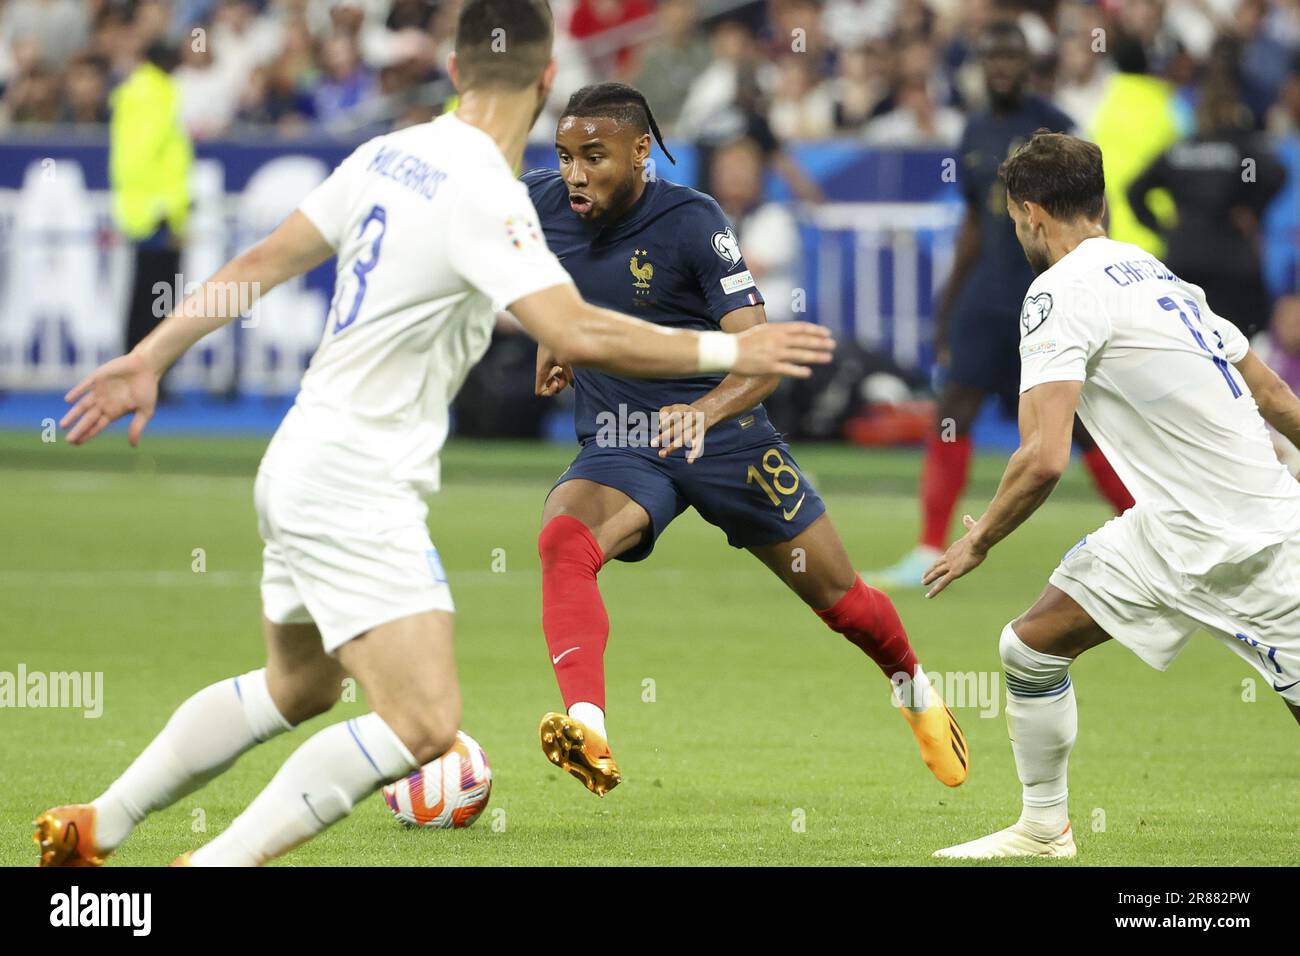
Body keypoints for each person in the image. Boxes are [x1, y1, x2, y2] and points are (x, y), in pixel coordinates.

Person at [35, 0, 833, 869]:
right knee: (423, 723)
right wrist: (733, 345)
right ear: (543, 81)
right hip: (358, 482)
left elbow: (258, 263)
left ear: (453, 72)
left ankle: (101, 821)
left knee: (297, 687)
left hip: (296, 459)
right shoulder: (487, 196)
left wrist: (148, 357)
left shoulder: (388, 153)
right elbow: (577, 332)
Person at [524, 82, 969, 798]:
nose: (575, 173)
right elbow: (512, 259)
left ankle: (913, 686)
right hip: (622, 440)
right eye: (566, 156)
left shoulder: (694, 223)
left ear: (642, 152)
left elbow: (759, 360)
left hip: (727, 437)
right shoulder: (543, 203)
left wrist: (701, 414)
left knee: (841, 599)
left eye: (595, 157)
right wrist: (555, 331)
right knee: (562, 543)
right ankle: (589, 728)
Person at [924, 131, 1300, 859]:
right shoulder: (1156, 275)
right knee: (1030, 648)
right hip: (1169, 533)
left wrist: (980, 539)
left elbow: (1040, 459)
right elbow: (1275, 394)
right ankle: (1042, 830)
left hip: (1253, 545)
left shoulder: (1058, 293)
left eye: (1012, 219)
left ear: (1032, 214)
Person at [867, 21, 1132, 589]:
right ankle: (927, 546)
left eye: (1013, 57)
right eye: (993, 58)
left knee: (1082, 427)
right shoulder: (975, 128)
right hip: (987, 299)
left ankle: (1147, 527)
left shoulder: (1058, 128)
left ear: (1030, 64)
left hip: (1050, 298)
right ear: (981, 66)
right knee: (950, 412)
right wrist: (950, 300)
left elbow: (1091, 216)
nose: (1002, 68)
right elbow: (973, 221)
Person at [1127, 40, 1286, 340]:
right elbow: (1275, 174)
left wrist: (1164, 229)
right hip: (1231, 261)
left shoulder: (1181, 150)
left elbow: (1135, 191)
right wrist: (1252, 208)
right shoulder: (1240, 148)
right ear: (1232, 106)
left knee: (1192, 346)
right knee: (1239, 347)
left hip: (1184, 259)